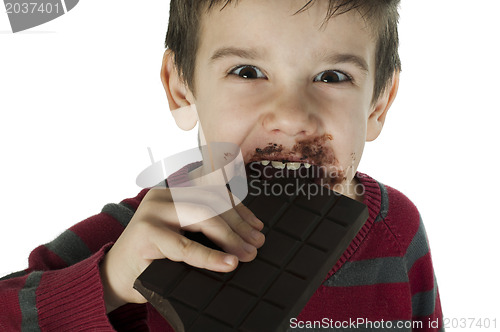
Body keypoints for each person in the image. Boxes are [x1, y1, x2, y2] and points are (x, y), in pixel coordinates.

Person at [0, 0, 444, 330]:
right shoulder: (139, 237)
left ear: (378, 104)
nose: (290, 116)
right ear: (181, 87)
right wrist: (113, 279)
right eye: (248, 72)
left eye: (332, 77)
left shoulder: (397, 232)